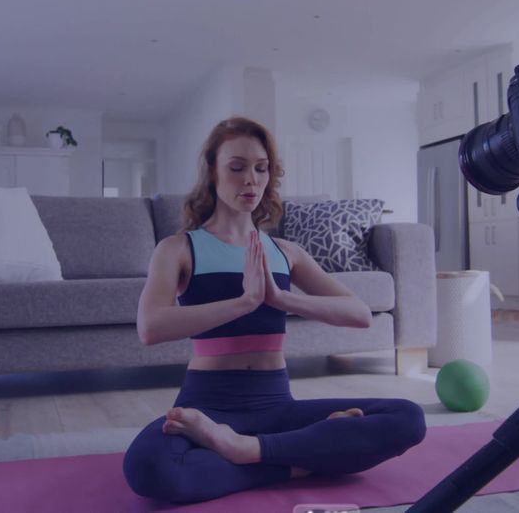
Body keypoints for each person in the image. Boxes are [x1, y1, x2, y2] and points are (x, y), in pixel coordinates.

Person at [122, 116, 426, 503]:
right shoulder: (178, 249)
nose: (251, 179)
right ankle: (297, 460)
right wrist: (243, 302)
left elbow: (359, 313)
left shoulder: (285, 252)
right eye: (237, 168)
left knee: (407, 418)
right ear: (212, 172)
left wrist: (281, 299)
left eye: (261, 169)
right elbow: (150, 327)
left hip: (276, 406)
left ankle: (250, 450)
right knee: (148, 468)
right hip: (206, 408)